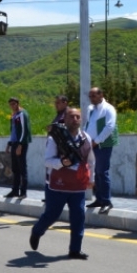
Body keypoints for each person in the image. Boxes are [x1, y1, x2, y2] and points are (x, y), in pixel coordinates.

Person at [29, 107, 94, 259]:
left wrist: (91, 179)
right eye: (72, 117)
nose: (75, 120)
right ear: (65, 119)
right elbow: (47, 161)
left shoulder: (86, 138)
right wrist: (62, 163)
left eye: (78, 117)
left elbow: (91, 160)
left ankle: (75, 250)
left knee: (78, 216)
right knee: (52, 214)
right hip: (58, 184)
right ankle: (37, 231)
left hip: (77, 185)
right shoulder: (55, 138)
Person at [85, 88, 118, 213]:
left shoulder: (108, 109)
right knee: (94, 172)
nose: (91, 98)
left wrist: (96, 141)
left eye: (93, 95)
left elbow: (110, 126)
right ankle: (98, 199)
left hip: (102, 145)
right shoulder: (90, 109)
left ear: (101, 95)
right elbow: (87, 125)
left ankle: (106, 201)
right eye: (90, 96)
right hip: (91, 145)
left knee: (102, 172)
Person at [5, 97, 31, 198]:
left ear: (17, 103)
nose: (12, 106)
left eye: (14, 104)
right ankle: (15, 190)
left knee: (22, 168)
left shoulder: (22, 114)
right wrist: (9, 144)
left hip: (21, 143)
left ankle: (23, 192)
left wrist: (20, 145)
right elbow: (13, 131)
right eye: (10, 104)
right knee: (15, 168)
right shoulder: (14, 115)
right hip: (15, 143)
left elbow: (25, 131)